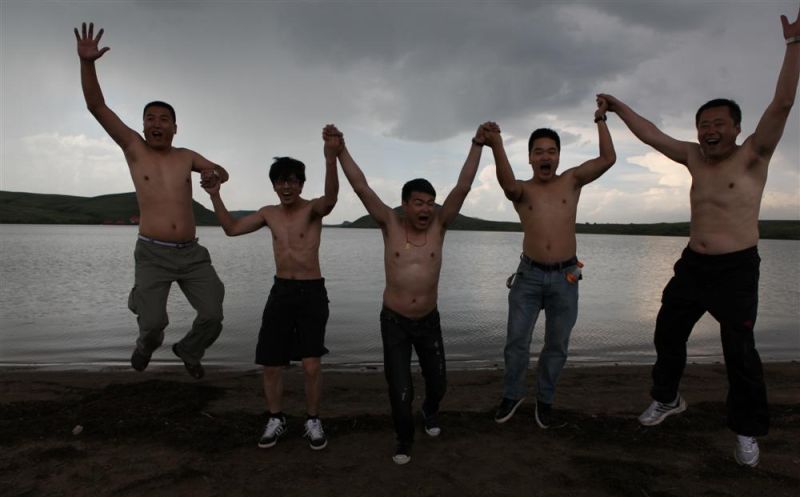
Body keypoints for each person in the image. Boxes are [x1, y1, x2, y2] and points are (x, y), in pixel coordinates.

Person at [597, 10, 799, 468]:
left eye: (718, 123)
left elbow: (783, 104)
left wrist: (793, 46)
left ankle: (746, 431)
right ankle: (667, 397)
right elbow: (651, 135)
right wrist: (618, 106)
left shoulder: (754, 155)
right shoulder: (692, 157)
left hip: (737, 270)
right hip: (693, 265)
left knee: (740, 353)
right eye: (703, 124)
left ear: (737, 128)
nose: (709, 131)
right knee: (667, 330)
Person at [75, 22, 227, 379]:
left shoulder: (186, 156)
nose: (157, 124)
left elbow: (220, 170)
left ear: (175, 127)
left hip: (191, 254)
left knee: (213, 315)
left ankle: (189, 349)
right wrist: (87, 63)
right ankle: (145, 343)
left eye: (164, 119)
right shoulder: (134, 147)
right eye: (150, 119)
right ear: (143, 126)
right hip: (153, 253)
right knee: (155, 323)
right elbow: (96, 106)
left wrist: (214, 176)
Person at [336, 123, 494, 464]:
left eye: (431, 204)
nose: (426, 209)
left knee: (438, 383)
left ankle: (430, 410)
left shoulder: (439, 226)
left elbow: (463, 187)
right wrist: (341, 150)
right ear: (405, 205)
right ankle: (404, 438)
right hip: (394, 321)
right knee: (400, 388)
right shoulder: (389, 225)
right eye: (419, 203)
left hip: (428, 321)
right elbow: (361, 186)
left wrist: (478, 143)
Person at [203, 126, 340, 450]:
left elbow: (332, 199)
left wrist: (330, 157)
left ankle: (312, 419)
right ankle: (276, 418)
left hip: (311, 292)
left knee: (311, 364)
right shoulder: (269, 213)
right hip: (281, 292)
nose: (286, 186)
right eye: (280, 181)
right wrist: (215, 194)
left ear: (301, 184)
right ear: (274, 185)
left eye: (292, 181)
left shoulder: (313, 209)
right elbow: (232, 229)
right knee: (271, 362)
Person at [484, 99, 616, 429]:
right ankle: (513, 394)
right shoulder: (523, 190)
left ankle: (545, 400)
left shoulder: (571, 180)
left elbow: (607, 159)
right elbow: (507, 184)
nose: (545, 157)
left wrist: (601, 119)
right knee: (516, 342)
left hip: (566, 277)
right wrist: (496, 144)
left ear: (559, 156)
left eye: (551, 151)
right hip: (528, 276)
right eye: (539, 152)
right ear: (530, 157)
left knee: (556, 345)